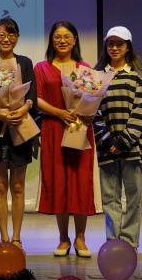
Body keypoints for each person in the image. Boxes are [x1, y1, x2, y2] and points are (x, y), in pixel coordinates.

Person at [34, 21, 98, 257]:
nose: (62, 41)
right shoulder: (41, 67)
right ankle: (63, 238)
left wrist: (87, 112)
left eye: (66, 36)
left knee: (80, 182)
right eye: (57, 37)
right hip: (53, 128)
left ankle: (81, 238)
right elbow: (37, 98)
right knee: (58, 182)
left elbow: (93, 97)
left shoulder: (84, 67)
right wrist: (59, 112)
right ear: (52, 40)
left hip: (79, 128)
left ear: (74, 40)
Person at [0, 17, 37, 250]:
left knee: (19, 186)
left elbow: (32, 93)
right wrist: (1, 115)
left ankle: (17, 238)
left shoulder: (25, 62)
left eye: (11, 34)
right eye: (2, 35)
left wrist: (23, 108)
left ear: (17, 37)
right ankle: (3, 238)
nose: (6, 39)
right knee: (0, 186)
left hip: (20, 126)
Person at [93, 26, 142, 249]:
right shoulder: (97, 76)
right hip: (106, 147)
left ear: (128, 47)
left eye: (120, 44)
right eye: (111, 44)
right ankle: (113, 241)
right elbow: (93, 110)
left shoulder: (139, 76)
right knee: (110, 198)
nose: (115, 48)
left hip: (132, 148)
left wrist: (123, 141)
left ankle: (129, 242)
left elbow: (141, 110)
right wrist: (108, 140)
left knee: (134, 198)